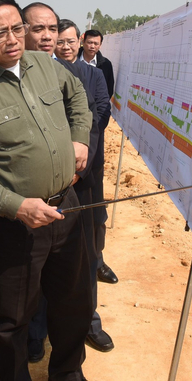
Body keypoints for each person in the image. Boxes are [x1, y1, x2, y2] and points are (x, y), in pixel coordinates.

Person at [0, 0, 93, 381]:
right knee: (13, 318)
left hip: (68, 208)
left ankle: (67, 371)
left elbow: (78, 97)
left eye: (17, 29)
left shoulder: (44, 63)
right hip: (13, 226)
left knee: (74, 301)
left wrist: (80, 138)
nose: (12, 39)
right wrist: (16, 206)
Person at [54, 19, 114, 352]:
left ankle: (89, 320)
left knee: (88, 251)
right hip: (50, 176)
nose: (64, 46)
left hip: (85, 175)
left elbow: (100, 114)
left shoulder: (94, 75)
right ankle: (41, 327)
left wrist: (80, 160)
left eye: (68, 40)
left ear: (79, 41)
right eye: (58, 41)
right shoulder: (42, 76)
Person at [78, 29, 117, 285]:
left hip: (90, 155)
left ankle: (97, 261)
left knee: (95, 212)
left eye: (70, 41)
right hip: (59, 160)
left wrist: (87, 142)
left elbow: (103, 107)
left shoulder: (98, 70)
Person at [79, 30, 114, 98]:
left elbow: (108, 90)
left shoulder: (106, 65)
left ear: (100, 45)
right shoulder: (72, 60)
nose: (92, 46)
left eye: (96, 44)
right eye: (90, 42)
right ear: (83, 42)